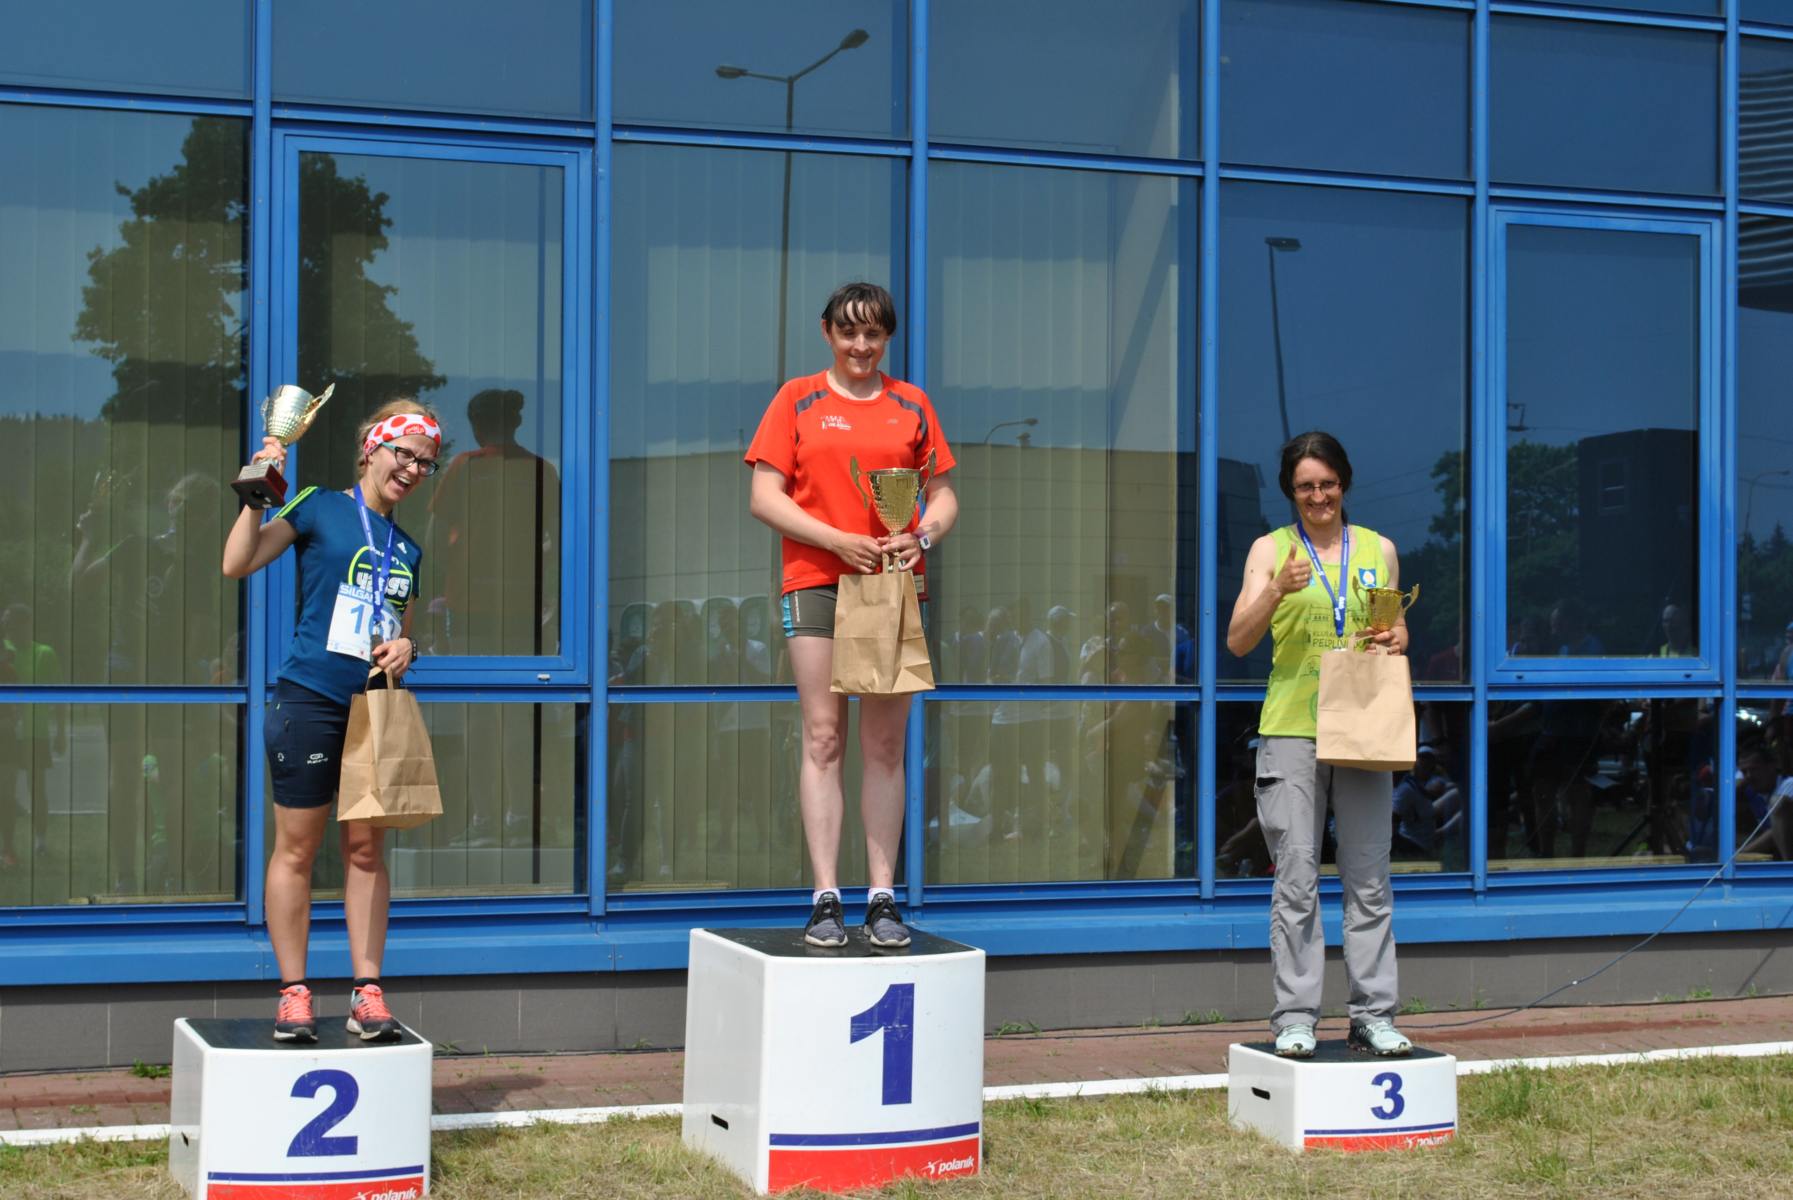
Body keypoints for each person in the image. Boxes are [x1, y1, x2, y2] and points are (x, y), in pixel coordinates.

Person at [745, 282, 958, 948]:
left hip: (891, 585)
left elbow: (943, 497)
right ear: (827, 332)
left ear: (887, 336)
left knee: (885, 746)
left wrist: (920, 536)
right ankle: (825, 899)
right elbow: (764, 496)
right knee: (823, 738)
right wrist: (835, 539)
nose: (860, 345)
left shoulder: (911, 404)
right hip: (816, 579)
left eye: (873, 333)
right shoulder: (797, 398)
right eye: (848, 332)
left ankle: (882, 898)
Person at [222, 399, 437, 1042]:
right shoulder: (317, 505)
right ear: (372, 448)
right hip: (310, 700)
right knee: (297, 849)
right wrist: (256, 493)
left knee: (367, 851)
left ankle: (367, 993)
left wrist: (409, 647)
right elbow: (237, 562)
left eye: (426, 463)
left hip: (374, 709)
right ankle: (294, 994)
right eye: (405, 454)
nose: (413, 470)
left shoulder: (409, 548)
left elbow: (399, 630)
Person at [1225, 431, 1412, 1059]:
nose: (1318, 496)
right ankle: (1296, 1017)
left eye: (1327, 483)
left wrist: (1397, 639)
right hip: (1291, 728)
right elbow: (1238, 640)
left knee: (1369, 878)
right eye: (1305, 486)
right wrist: (1277, 588)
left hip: (1362, 725)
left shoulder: (1379, 550)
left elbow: (1395, 627)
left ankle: (1373, 1015)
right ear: (1291, 491)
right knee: (1297, 879)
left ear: (1344, 483)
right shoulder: (1269, 549)